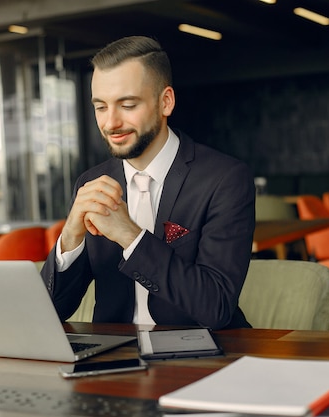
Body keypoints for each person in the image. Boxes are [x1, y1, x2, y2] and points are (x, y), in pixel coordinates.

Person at [40, 35, 255, 330]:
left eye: (127, 105)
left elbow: (215, 307)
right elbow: (50, 312)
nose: (110, 123)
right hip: (115, 358)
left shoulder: (225, 180)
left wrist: (130, 235)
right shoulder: (90, 183)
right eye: (101, 107)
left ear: (165, 102)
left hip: (204, 356)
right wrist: (70, 239)